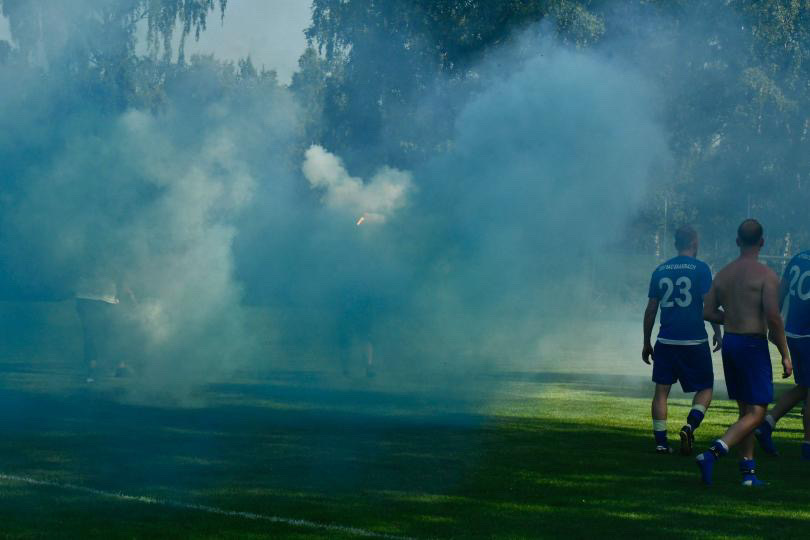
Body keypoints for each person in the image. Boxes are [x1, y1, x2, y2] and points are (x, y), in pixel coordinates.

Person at [697, 219, 792, 486]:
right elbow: (773, 317)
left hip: (731, 344)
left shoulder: (723, 274)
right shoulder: (766, 276)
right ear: (762, 243)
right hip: (752, 344)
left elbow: (706, 311)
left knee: (746, 411)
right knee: (758, 413)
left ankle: (748, 473)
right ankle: (713, 453)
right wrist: (785, 354)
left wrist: (730, 319)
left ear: (737, 241)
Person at [643, 225, 721, 455]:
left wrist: (646, 341)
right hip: (695, 341)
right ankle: (690, 425)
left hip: (666, 340)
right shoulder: (701, 269)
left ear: (676, 244)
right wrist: (718, 331)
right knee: (705, 388)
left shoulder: (660, 270)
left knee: (661, 392)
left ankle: (660, 443)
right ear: (694, 242)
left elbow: (651, 309)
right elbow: (709, 305)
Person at [754, 248, 810, 459]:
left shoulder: (798, 257)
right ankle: (807, 446)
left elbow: (781, 291)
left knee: (804, 387)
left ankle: (767, 423)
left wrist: (772, 322)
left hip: (793, 332)